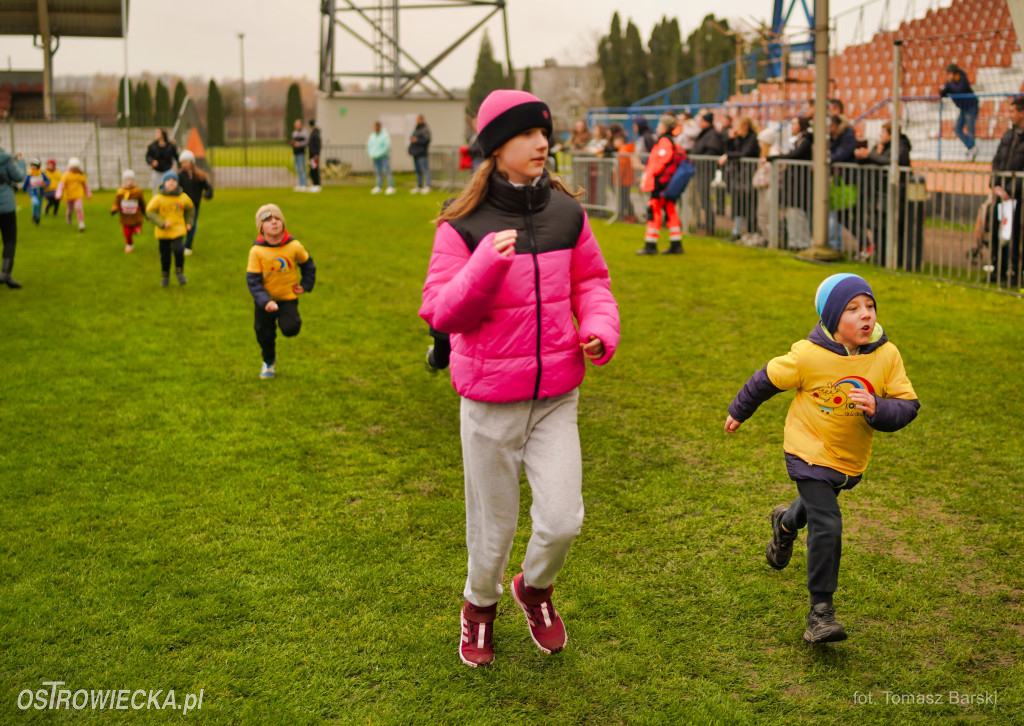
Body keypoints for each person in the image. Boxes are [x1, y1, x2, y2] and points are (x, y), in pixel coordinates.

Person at [419, 89, 620, 668]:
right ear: (495, 147)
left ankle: (532, 590)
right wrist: (483, 265)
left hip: (558, 394)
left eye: (544, 132)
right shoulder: (460, 226)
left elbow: (593, 283)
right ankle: (478, 607)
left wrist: (601, 327)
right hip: (489, 402)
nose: (541, 143)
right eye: (527, 134)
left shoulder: (567, 213)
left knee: (562, 520)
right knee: (492, 526)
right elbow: (441, 312)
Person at [725, 273, 920, 643]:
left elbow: (908, 406)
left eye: (870, 306)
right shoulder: (808, 355)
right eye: (852, 309)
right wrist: (740, 410)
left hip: (848, 459)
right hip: (807, 451)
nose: (866, 315)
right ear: (832, 319)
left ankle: (784, 523)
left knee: (818, 507)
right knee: (827, 523)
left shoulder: (886, 355)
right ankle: (820, 613)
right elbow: (766, 378)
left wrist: (879, 407)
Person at [246, 203, 317, 379]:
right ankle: (269, 362)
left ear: (283, 223)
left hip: (287, 297)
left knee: (291, 328)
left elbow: (308, 265)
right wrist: (265, 300)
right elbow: (253, 281)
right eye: (268, 220)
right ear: (261, 228)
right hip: (265, 302)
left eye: (277, 219)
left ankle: (286, 320)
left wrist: (306, 285)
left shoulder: (294, 246)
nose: (274, 222)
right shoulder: (257, 251)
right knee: (264, 334)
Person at [854, 121, 914, 267]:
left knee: (894, 228)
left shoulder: (901, 146)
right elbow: (872, 160)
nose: (880, 136)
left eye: (883, 133)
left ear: (891, 134)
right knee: (878, 226)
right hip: (878, 192)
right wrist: (861, 156)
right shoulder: (880, 146)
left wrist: (872, 154)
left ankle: (897, 260)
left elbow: (889, 162)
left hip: (895, 193)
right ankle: (881, 258)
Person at [638, 114, 686, 255]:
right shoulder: (669, 141)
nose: (657, 128)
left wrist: (654, 178)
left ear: (664, 127)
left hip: (659, 183)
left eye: (659, 125)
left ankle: (651, 244)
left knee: (654, 210)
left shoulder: (664, 141)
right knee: (670, 210)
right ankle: (676, 243)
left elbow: (661, 162)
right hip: (665, 183)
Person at [990, 95, 1024, 287]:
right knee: (997, 231)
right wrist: (995, 184)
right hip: (1000, 194)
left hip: (1018, 197)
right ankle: (997, 269)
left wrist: (1011, 190)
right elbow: (997, 161)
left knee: (1016, 235)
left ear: (1022, 113)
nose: (1008, 115)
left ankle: (1015, 273)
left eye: (1012, 111)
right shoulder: (1008, 135)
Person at [145, 171, 194, 287]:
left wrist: (189, 222)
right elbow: (149, 211)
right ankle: (165, 275)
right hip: (163, 232)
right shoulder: (158, 198)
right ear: (164, 183)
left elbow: (191, 208)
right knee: (165, 255)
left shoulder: (182, 197)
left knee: (178, 251)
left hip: (178, 230)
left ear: (177, 183)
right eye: (168, 181)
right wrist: (161, 223)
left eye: (174, 181)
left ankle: (179, 271)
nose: (171, 183)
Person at [717, 116, 760, 240]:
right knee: (738, 204)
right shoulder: (740, 138)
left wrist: (728, 155)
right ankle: (737, 231)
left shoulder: (752, 138)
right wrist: (730, 139)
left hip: (749, 176)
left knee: (750, 205)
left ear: (745, 126)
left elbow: (744, 153)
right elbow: (730, 150)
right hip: (740, 176)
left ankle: (752, 233)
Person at [691, 112, 725, 235]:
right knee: (703, 199)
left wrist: (699, 158)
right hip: (701, 169)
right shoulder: (706, 134)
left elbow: (712, 151)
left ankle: (710, 227)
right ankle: (706, 225)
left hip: (706, 169)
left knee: (706, 199)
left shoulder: (712, 135)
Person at [939, 63, 979, 160]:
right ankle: (971, 147)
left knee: (970, 130)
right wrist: (946, 88)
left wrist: (948, 87)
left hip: (971, 107)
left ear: (952, 73)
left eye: (948, 74)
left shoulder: (962, 77)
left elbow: (959, 89)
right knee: (957, 129)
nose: (947, 77)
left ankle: (972, 150)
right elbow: (942, 92)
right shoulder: (950, 83)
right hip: (963, 109)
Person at [177, 150, 213, 255]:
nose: (184, 164)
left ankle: (187, 245)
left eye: (186, 161)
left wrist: (207, 195)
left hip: (194, 206)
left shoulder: (199, 176)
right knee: (181, 225)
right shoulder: (179, 176)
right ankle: (178, 244)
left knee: (191, 225)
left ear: (192, 162)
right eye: (182, 162)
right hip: (182, 205)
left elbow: (208, 188)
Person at [0, 146, 27, 289]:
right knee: (9, 240)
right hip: (6, 205)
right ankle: (5, 273)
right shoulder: (6, 159)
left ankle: (6, 275)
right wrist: (21, 162)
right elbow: (19, 177)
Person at [110, 169, 146, 253]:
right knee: (127, 233)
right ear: (124, 181)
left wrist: (145, 212)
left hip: (136, 215)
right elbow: (117, 202)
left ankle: (137, 229)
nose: (129, 182)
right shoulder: (120, 192)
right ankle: (129, 244)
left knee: (137, 230)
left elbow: (142, 203)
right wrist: (114, 208)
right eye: (127, 180)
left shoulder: (138, 191)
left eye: (131, 180)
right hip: (125, 216)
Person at [57, 157, 91, 232]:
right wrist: (59, 193)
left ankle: (81, 223)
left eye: (76, 168)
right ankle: (68, 216)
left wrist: (88, 193)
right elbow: (61, 184)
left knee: (78, 208)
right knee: (70, 208)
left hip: (78, 195)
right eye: (73, 168)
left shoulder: (81, 175)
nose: (75, 170)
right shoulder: (66, 175)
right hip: (68, 196)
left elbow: (85, 185)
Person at [145, 129, 179, 196]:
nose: (156, 134)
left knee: (169, 189)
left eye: (158, 133)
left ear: (162, 135)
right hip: (157, 172)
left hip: (168, 171)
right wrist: (152, 161)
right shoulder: (153, 146)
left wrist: (179, 168)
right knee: (156, 190)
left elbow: (177, 157)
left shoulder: (170, 146)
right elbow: (147, 157)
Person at [367, 121, 395, 195]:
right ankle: (379, 186)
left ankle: (391, 186)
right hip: (375, 157)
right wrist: (371, 154)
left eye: (377, 127)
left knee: (387, 171)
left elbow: (386, 146)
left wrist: (380, 153)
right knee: (378, 172)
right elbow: (369, 146)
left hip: (383, 156)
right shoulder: (372, 136)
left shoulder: (384, 135)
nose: (376, 128)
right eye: (375, 127)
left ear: (380, 127)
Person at [21, 158, 49, 225]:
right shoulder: (29, 174)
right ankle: (34, 215)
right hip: (33, 192)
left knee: (39, 205)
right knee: (35, 203)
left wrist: (45, 184)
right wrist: (24, 189)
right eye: (32, 166)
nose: (33, 167)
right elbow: (26, 183)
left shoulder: (41, 174)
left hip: (41, 193)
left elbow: (47, 181)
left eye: (35, 166)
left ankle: (38, 218)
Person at [408, 114, 432, 193]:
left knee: (425, 169)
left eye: (418, 120)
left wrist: (417, 140)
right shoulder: (416, 128)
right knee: (418, 171)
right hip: (416, 153)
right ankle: (419, 185)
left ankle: (428, 185)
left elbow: (427, 140)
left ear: (422, 120)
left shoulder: (425, 129)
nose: (417, 121)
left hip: (422, 153)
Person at [290, 119, 309, 191]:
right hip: (295, 153)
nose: (296, 126)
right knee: (297, 169)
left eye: (297, 125)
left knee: (302, 169)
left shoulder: (304, 132)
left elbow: (307, 142)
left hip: (301, 153)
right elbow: (293, 141)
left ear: (301, 125)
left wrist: (300, 144)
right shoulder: (294, 133)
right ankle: (300, 184)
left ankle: (304, 184)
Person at [306, 119, 322, 192]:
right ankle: (314, 184)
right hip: (312, 155)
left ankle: (317, 184)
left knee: (315, 170)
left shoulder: (315, 134)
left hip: (314, 156)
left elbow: (318, 145)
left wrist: (316, 154)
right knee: (312, 170)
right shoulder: (313, 133)